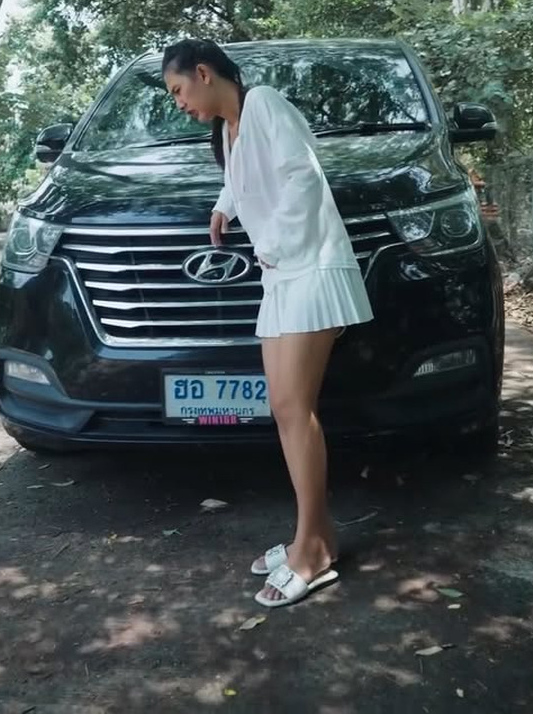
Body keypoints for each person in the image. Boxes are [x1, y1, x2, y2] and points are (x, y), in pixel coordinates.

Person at [159, 38, 374, 608]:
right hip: (281, 277)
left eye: (178, 90)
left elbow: (302, 178)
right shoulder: (230, 130)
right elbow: (246, 178)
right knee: (283, 408)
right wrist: (223, 206)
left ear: (203, 72)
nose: (179, 103)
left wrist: (272, 243)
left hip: (311, 269)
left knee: (295, 410)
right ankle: (315, 537)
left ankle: (313, 553)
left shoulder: (266, 103)